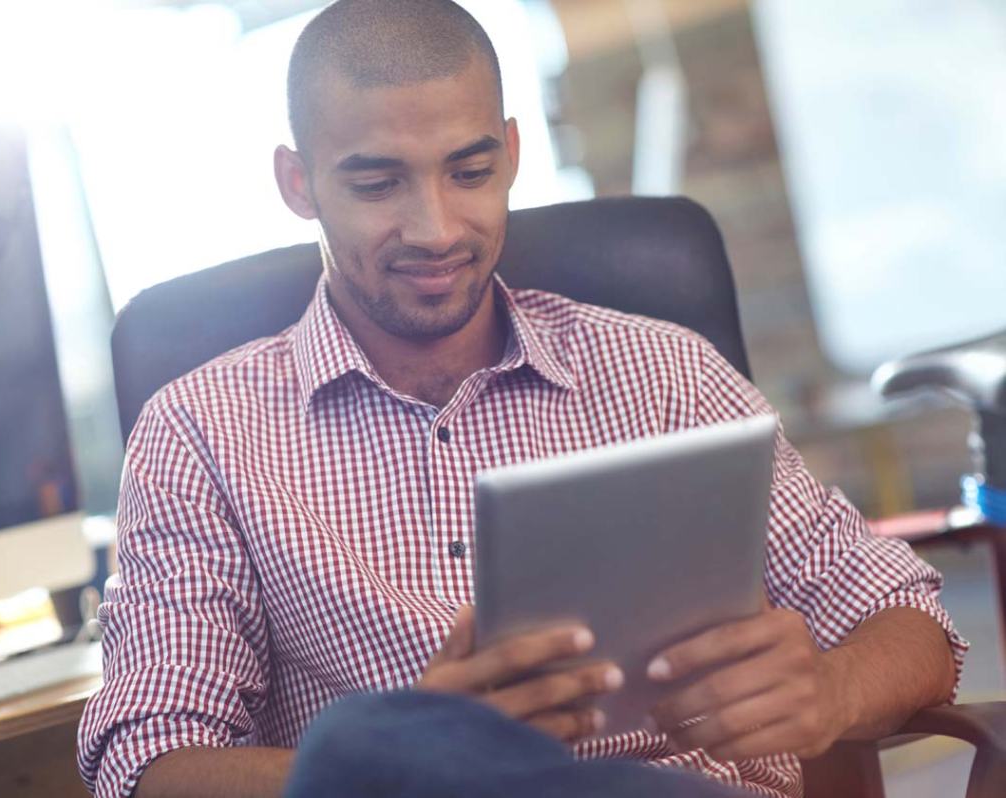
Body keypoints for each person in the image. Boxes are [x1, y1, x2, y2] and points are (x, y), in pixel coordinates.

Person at [77, 2, 966, 796]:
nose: (435, 229)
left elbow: (904, 612)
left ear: (510, 151)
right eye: (377, 183)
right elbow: (148, 761)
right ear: (298, 183)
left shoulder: (666, 374)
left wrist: (832, 690)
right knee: (367, 749)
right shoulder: (199, 434)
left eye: (468, 172)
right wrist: (394, 768)